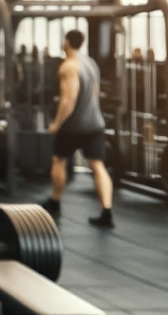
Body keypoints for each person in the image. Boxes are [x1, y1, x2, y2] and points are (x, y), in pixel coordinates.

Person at [42, 28, 114, 228]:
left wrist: (57, 123)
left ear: (66, 43)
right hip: (95, 123)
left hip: (73, 125)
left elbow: (69, 98)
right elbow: (95, 92)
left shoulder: (68, 66)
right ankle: (106, 211)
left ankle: (55, 202)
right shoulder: (91, 63)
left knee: (59, 160)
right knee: (98, 165)